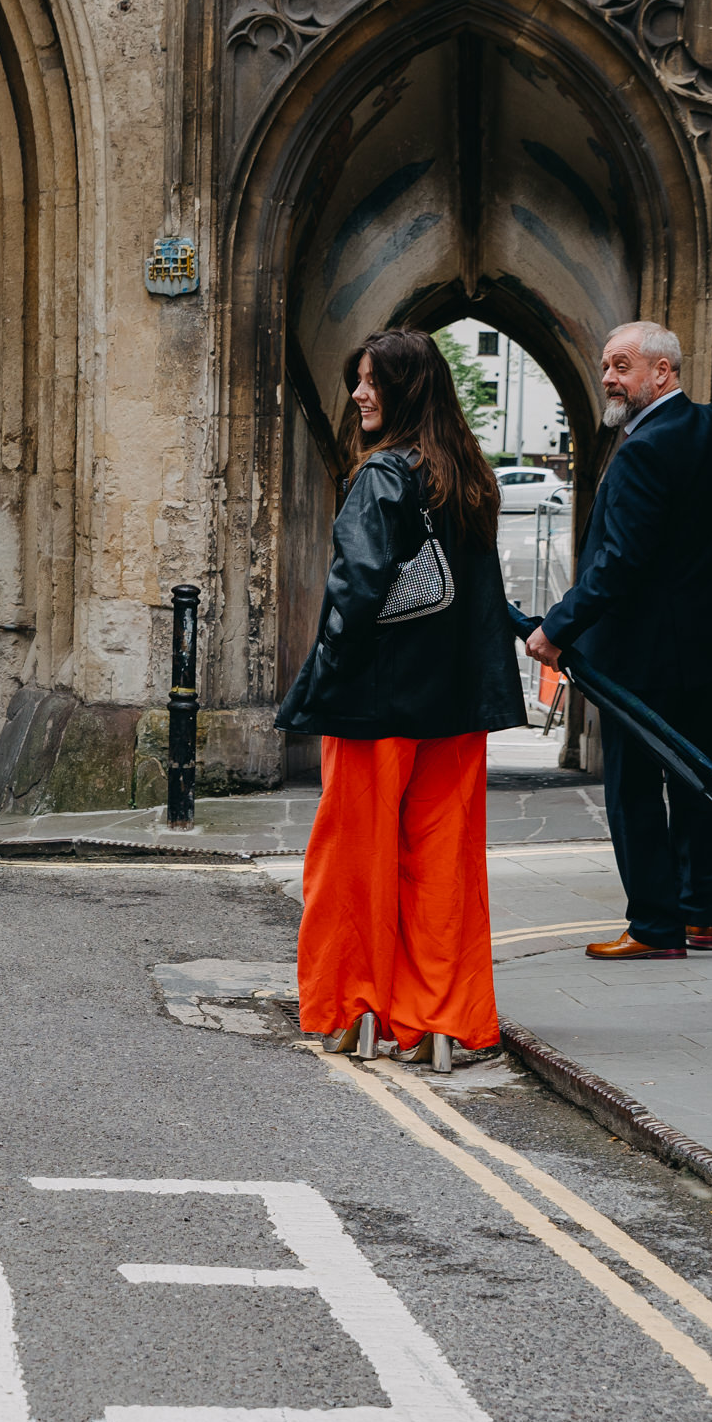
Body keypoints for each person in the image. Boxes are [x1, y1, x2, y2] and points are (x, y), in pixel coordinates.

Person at [276, 329, 526, 1063]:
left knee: (355, 859)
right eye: (358, 379)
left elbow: (352, 597)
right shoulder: (471, 479)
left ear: (406, 389)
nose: (358, 394)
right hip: (456, 709)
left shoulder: (382, 477)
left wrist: (319, 681)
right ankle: (442, 1018)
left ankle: (354, 1004)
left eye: (372, 382)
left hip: (376, 705)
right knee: (445, 864)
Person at [524, 321, 712, 959]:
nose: (608, 377)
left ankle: (656, 928)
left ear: (663, 372)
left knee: (632, 788)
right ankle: (700, 917)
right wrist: (700, 598)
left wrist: (556, 627)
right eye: (606, 366)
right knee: (696, 779)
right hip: (705, 649)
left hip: (640, 655)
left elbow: (618, 563)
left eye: (621, 365)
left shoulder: (642, 449)